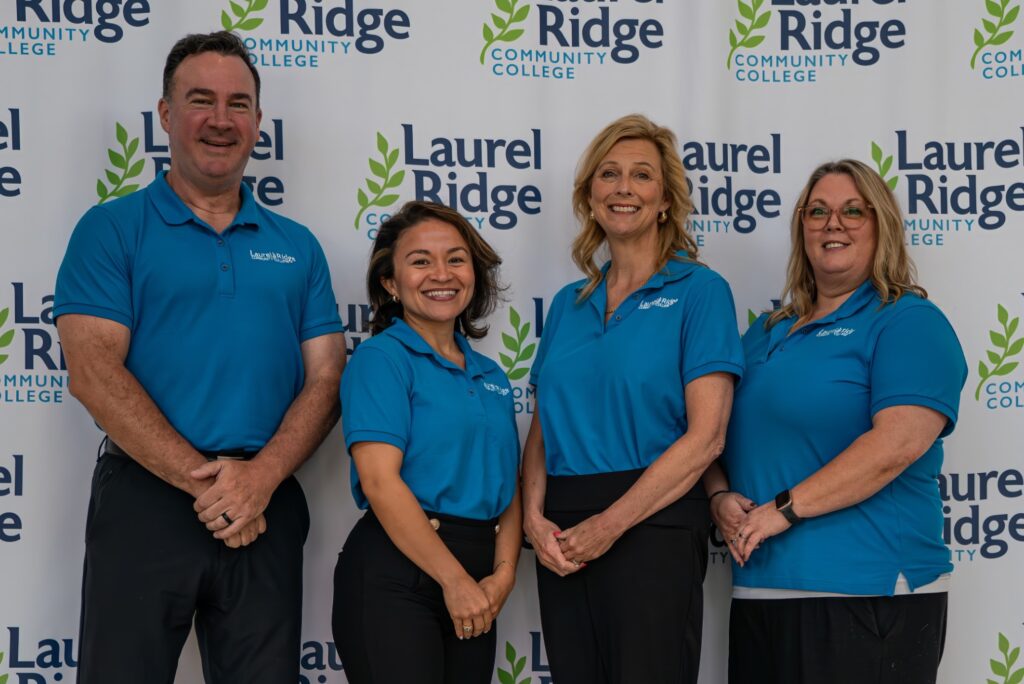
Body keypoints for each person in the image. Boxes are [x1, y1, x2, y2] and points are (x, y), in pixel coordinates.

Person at [53, 31, 346, 683]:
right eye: (200, 100)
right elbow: (92, 371)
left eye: (238, 103)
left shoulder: (297, 247)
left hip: (265, 504)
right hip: (147, 500)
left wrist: (260, 480)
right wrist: (209, 485)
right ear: (164, 114)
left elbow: (327, 378)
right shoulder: (112, 228)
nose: (221, 120)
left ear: (258, 122)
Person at [707, 159, 967, 684]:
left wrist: (783, 510)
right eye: (818, 211)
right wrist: (716, 495)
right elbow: (710, 433)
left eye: (853, 210)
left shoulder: (907, 321)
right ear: (801, 227)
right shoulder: (764, 333)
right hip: (760, 591)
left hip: (866, 592)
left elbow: (896, 444)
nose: (833, 223)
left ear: (882, 225)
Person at [521, 113, 744, 684]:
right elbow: (543, 431)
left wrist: (611, 524)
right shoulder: (569, 305)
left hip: (653, 524)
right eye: (609, 174)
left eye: (642, 176)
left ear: (665, 200)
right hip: (564, 533)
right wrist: (532, 518)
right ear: (590, 197)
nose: (624, 188)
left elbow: (708, 437)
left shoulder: (701, 292)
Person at [333, 200, 522, 683]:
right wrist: (454, 580)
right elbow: (379, 482)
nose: (442, 273)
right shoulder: (382, 360)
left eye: (456, 259)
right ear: (390, 284)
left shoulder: (492, 375)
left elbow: (509, 487)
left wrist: (502, 576)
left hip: (478, 576)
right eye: (420, 261)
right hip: (399, 575)